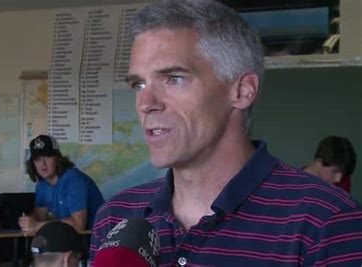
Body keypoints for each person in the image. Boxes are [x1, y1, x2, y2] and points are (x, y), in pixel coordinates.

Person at [90, 1, 362, 266]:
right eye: (138, 84)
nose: (145, 103)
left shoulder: (327, 221)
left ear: (242, 91)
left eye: (174, 78)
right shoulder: (114, 218)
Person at [18, 134, 104, 232]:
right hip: (73, 239)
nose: (43, 163)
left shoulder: (73, 179)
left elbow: (78, 225)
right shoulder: (42, 184)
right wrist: (27, 221)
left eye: (48, 156)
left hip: (100, 238)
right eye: (37, 159)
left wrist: (37, 226)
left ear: (58, 158)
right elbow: (39, 218)